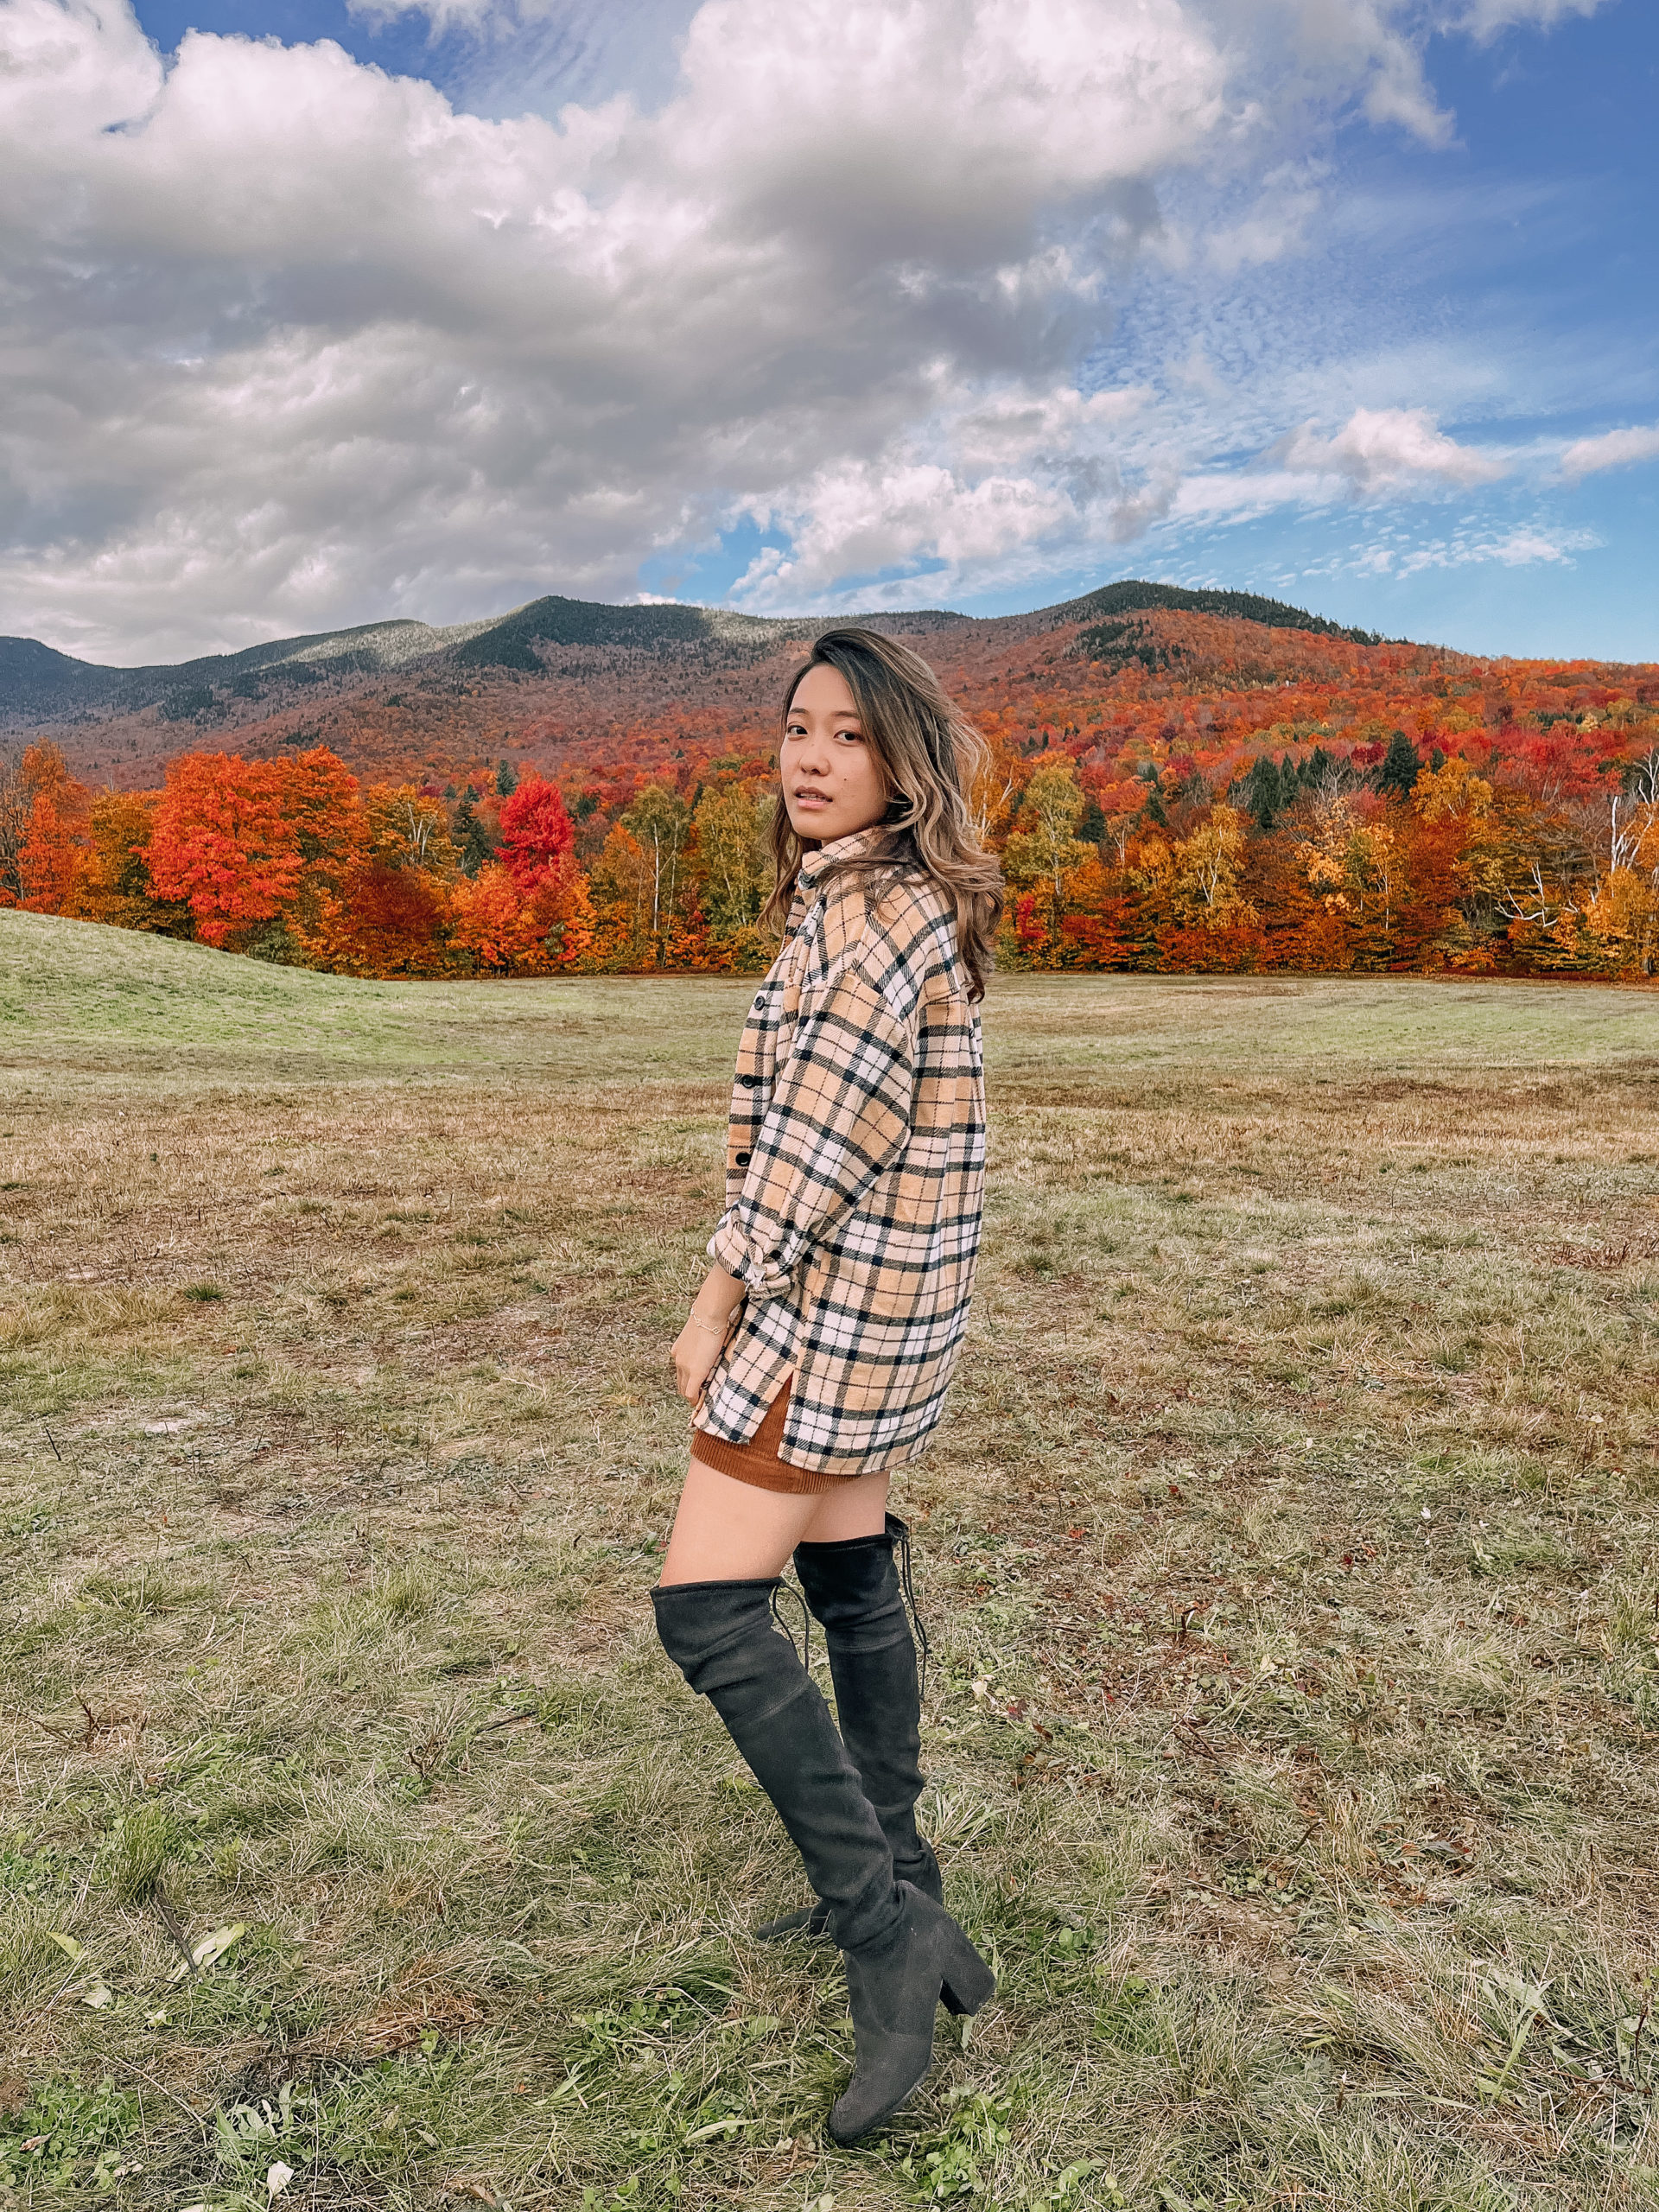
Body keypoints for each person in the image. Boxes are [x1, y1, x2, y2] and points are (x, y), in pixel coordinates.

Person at [650, 626, 1004, 2145]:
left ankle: (881, 1926)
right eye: (796, 727)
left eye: (847, 736)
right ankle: (907, 1882)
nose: (807, 757)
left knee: (706, 1605)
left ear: (903, 761)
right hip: (886, 1309)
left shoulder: (874, 928)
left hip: (831, 1309)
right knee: (851, 1571)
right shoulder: (873, 906)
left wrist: (714, 1299)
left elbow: (816, 1150)